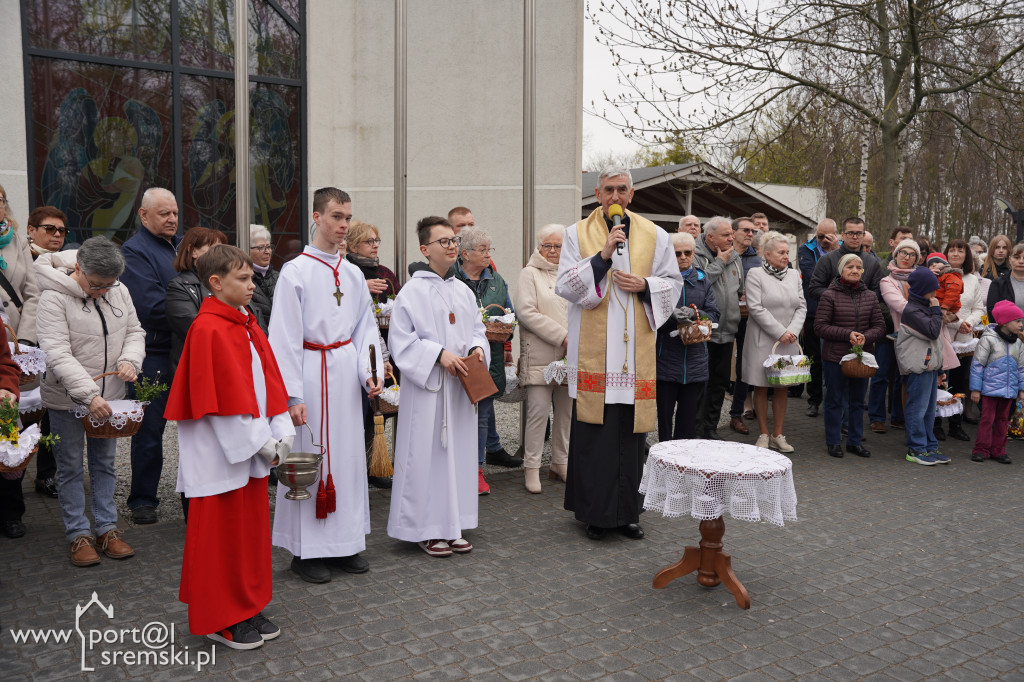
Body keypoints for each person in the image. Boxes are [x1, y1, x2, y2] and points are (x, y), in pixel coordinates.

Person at [167, 244, 295, 650]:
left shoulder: (244, 320)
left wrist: (282, 430)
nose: (252, 283)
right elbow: (222, 404)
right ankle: (220, 618)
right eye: (243, 278)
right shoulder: (207, 329)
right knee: (219, 539)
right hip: (222, 453)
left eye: (251, 277)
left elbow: (266, 383)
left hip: (253, 447)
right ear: (216, 283)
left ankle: (246, 605)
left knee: (248, 535)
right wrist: (264, 445)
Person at [555, 167, 682, 541]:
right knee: (595, 436)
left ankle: (627, 512)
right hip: (595, 354)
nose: (615, 195)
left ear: (631, 195)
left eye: (621, 189)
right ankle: (596, 513)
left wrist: (645, 284)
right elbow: (564, 285)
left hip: (634, 354)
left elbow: (673, 284)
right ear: (597, 194)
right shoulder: (575, 234)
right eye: (608, 189)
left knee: (630, 437)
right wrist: (602, 257)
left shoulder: (655, 235)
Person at [268, 187, 383, 585]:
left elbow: (364, 330)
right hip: (309, 370)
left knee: (348, 460)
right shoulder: (295, 271)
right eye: (336, 216)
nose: (343, 225)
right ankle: (306, 551)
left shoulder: (352, 273)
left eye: (348, 218)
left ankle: (346, 543)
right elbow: (282, 336)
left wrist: (370, 373)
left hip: (344, 373)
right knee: (307, 457)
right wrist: (291, 395)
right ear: (316, 217)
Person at [35, 237, 146, 566]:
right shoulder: (53, 297)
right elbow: (57, 353)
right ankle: (78, 534)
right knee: (69, 468)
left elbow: (135, 331)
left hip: (109, 397)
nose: (103, 291)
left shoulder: (118, 289)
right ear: (79, 269)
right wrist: (88, 395)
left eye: (109, 285)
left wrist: (130, 360)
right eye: (97, 285)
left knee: (104, 465)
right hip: (67, 398)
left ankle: (107, 529)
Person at [387, 216, 488, 556]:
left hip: (459, 389)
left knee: (458, 455)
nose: (450, 246)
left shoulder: (462, 290)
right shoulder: (411, 292)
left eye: (453, 241)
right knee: (425, 456)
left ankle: (453, 524)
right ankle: (425, 528)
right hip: (429, 388)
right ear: (424, 249)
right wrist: (437, 354)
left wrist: (477, 349)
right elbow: (400, 341)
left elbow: (478, 329)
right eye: (443, 241)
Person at [120, 187, 182, 525]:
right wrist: (196, 312)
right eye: (164, 214)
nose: (172, 219)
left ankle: (195, 494)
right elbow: (151, 306)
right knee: (148, 430)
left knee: (195, 427)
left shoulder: (182, 245)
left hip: (185, 351)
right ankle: (143, 498)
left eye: (174, 213)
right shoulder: (135, 251)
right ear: (144, 216)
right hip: (155, 355)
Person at [0, 196, 51, 537]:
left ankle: (11, 511)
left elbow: (32, 293)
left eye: (1, 200)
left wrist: (28, 340)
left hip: (13, 343)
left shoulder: (16, 240)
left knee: (9, 427)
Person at [456, 227, 518, 488]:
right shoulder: (451, 280)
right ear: (465, 254)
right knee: (455, 416)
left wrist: (503, 329)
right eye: (482, 250)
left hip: (487, 360)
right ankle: (453, 468)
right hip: (456, 359)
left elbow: (511, 318)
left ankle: (476, 470)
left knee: (482, 417)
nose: (487, 254)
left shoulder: (497, 280)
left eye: (488, 249)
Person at [514, 224, 571, 493]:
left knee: (567, 413)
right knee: (538, 413)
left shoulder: (572, 273)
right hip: (540, 355)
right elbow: (526, 312)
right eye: (546, 245)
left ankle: (561, 463)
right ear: (539, 247)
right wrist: (563, 336)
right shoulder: (529, 273)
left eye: (557, 246)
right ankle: (532, 467)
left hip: (570, 356)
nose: (552, 251)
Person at [345, 219, 401, 489]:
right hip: (355, 347)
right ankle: (356, 464)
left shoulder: (386, 272)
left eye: (377, 240)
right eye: (369, 241)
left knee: (380, 409)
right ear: (353, 244)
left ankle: (375, 462)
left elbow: (398, 303)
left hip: (384, 343)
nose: (375, 245)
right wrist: (363, 290)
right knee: (358, 410)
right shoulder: (347, 271)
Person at [814, 253, 885, 458]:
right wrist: (847, 335)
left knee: (857, 401)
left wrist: (865, 336)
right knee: (834, 400)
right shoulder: (829, 295)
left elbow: (879, 326)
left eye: (858, 267)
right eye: (849, 267)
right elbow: (820, 327)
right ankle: (834, 441)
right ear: (841, 270)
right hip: (835, 357)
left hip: (861, 358)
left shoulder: (870, 296)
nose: (855, 270)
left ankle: (855, 441)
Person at [741, 231, 806, 452]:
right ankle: (763, 433)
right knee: (761, 385)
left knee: (782, 385)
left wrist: (793, 330)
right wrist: (779, 331)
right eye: (781, 252)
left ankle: (778, 434)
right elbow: (755, 307)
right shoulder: (755, 274)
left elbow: (801, 306)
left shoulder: (793, 274)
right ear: (767, 254)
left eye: (787, 252)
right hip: (763, 338)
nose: (785, 256)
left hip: (788, 338)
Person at [24, 206, 69, 503]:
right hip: (23, 342)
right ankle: (11, 477)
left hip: (56, 345)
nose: (56, 235)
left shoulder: (66, 262)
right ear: (31, 230)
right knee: (18, 413)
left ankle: (46, 475)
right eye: (49, 229)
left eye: (61, 231)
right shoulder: (20, 257)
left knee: (53, 412)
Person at [657, 232, 719, 441]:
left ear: (694, 253)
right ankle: (662, 464)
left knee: (688, 424)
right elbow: (649, 317)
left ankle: (682, 467)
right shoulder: (660, 281)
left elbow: (714, 313)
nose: (683, 257)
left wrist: (695, 313)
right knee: (663, 421)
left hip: (695, 363)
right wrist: (670, 316)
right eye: (677, 253)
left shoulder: (703, 281)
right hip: (665, 361)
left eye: (688, 252)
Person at [693, 216, 743, 439]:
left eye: (732, 233)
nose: (731, 238)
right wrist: (720, 262)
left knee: (719, 383)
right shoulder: (694, 253)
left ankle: (710, 429)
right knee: (701, 384)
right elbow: (697, 282)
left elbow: (737, 288)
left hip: (727, 330)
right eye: (726, 235)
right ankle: (695, 430)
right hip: (704, 332)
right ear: (710, 237)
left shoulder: (735, 255)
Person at [895, 268, 949, 465]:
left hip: (930, 367)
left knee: (928, 410)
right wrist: (936, 310)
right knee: (917, 409)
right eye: (932, 291)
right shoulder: (912, 310)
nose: (935, 295)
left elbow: (936, 345)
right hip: (919, 368)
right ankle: (916, 449)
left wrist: (940, 369)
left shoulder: (924, 308)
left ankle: (929, 447)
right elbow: (933, 332)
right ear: (922, 290)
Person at [166, 227, 228, 375]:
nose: (219, 255)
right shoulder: (179, 286)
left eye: (222, 249)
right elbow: (193, 327)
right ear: (193, 251)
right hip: (197, 368)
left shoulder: (231, 282)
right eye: (213, 249)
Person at [969, 300, 1024, 464]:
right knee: (987, 419)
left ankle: (998, 449)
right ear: (1005, 322)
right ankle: (981, 449)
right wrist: (975, 389)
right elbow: (977, 364)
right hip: (990, 389)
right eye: (1018, 321)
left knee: (1003, 420)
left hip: (1009, 390)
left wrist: (1021, 389)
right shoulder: (988, 339)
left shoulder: (1019, 342)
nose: (1021, 324)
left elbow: (1021, 368)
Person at [877, 239, 921, 432]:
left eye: (912, 255)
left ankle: (898, 416)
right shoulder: (887, 279)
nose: (907, 257)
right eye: (903, 253)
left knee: (903, 376)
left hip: (914, 336)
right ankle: (877, 417)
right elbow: (898, 305)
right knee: (882, 374)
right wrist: (924, 311)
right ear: (896, 255)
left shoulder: (920, 278)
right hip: (888, 331)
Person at [798, 218, 839, 417]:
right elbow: (814, 277)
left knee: (833, 359)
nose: (823, 240)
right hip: (813, 310)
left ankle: (833, 400)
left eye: (827, 237)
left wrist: (835, 251)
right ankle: (814, 399)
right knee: (813, 357)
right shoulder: (806, 250)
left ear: (835, 235)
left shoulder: (841, 251)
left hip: (837, 314)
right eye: (820, 236)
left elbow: (846, 275)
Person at [944, 238, 985, 432]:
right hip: (943, 333)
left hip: (964, 339)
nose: (955, 254)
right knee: (941, 380)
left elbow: (979, 308)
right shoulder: (940, 276)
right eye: (952, 250)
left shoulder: (972, 280)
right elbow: (939, 304)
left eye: (960, 251)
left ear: (966, 255)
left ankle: (955, 423)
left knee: (958, 382)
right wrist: (958, 323)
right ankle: (936, 424)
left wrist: (969, 323)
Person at [727, 217, 760, 435]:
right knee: (715, 368)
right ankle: (705, 417)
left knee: (743, 369)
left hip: (748, 319)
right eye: (745, 230)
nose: (750, 234)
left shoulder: (757, 260)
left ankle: (736, 414)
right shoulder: (722, 255)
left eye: (753, 231)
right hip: (722, 318)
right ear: (733, 232)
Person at [808, 217, 883, 302]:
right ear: (842, 235)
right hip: (833, 313)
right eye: (850, 233)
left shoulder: (873, 263)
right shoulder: (826, 260)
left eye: (858, 233)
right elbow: (814, 289)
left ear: (863, 235)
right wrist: (840, 297)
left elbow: (877, 293)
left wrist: (859, 299)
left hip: (863, 313)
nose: (855, 237)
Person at [248, 224, 278, 332]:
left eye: (269, 247)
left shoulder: (279, 277)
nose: (268, 252)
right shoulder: (242, 281)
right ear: (247, 249)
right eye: (261, 247)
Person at [985, 243, 1024, 317]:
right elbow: (992, 311)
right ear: (1009, 259)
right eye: (1016, 257)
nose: (1021, 261)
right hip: (1007, 327)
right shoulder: (998, 283)